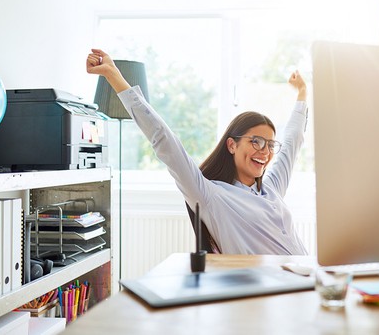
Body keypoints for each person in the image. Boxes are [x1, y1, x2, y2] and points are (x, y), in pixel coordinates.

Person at [87, 49, 309, 255]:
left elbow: (292, 141)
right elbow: (165, 142)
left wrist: (303, 92)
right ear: (232, 145)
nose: (265, 151)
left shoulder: (272, 188)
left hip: (310, 276)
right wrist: (113, 76)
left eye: (270, 145)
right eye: (256, 142)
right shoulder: (213, 196)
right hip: (272, 288)